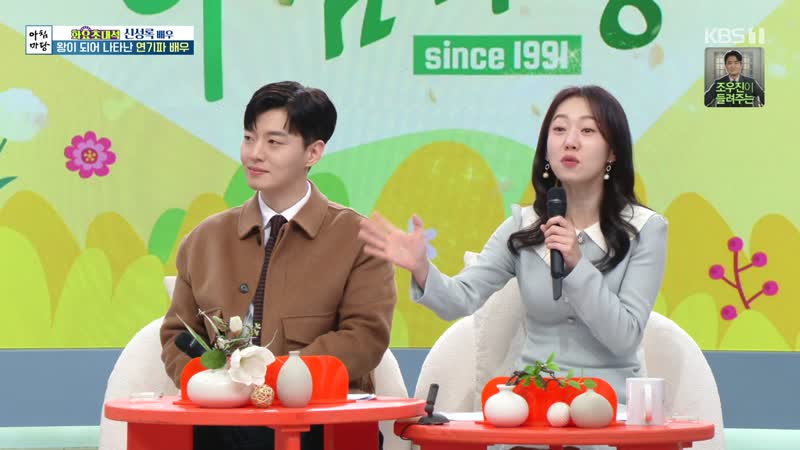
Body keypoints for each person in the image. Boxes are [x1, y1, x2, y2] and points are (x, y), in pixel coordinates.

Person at [358, 85, 668, 408]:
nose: (570, 141)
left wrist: (578, 266)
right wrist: (422, 269)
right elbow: (460, 298)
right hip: (533, 402)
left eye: (587, 130)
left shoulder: (645, 229)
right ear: (546, 149)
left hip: (609, 405)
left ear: (613, 152)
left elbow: (625, 337)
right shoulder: (524, 226)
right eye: (559, 129)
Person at [160, 81, 396, 450]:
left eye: (274, 142)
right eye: (249, 138)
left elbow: (365, 338)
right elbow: (177, 335)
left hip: (321, 423)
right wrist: (218, 385)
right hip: (222, 422)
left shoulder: (358, 239)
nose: (255, 154)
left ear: (313, 152)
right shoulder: (204, 240)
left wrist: (274, 376)